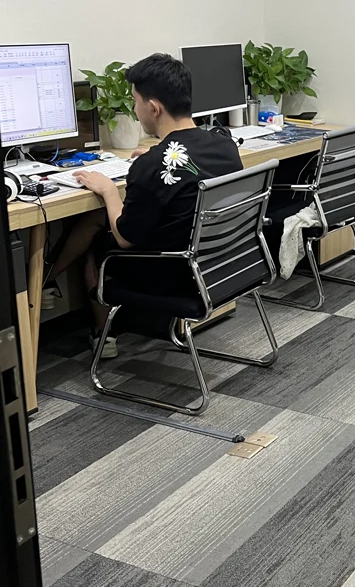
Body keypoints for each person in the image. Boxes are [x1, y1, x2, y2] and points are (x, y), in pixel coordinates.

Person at [46, 53, 243, 358]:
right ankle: (48, 284)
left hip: (177, 275)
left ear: (153, 108)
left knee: (99, 239)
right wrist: (151, 159)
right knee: (97, 219)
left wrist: (109, 191)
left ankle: (97, 330)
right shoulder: (224, 143)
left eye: (135, 102)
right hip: (224, 261)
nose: (135, 110)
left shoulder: (153, 165)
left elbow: (126, 238)